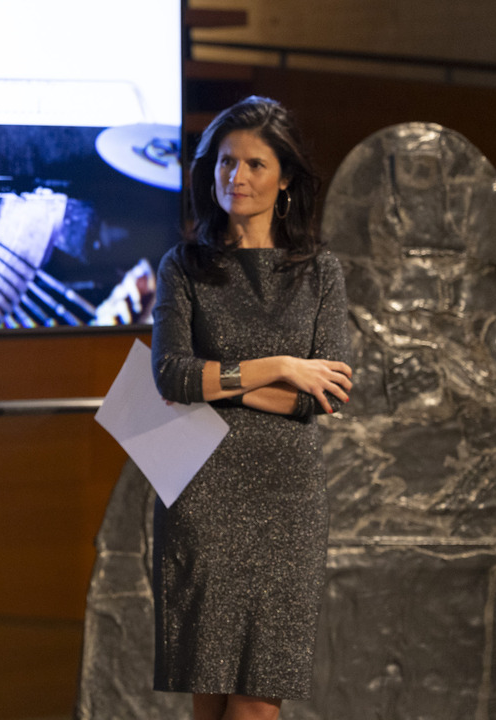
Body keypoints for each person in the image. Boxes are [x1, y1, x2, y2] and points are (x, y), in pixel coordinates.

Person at [149, 97, 353, 720]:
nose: (236, 177)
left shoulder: (320, 271)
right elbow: (171, 375)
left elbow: (330, 393)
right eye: (225, 163)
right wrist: (283, 368)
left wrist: (221, 380)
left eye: (255, 165)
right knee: (208, 701)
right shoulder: (184, 267)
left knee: (258, 705)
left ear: (285, 176)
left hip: (286, 501)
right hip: (202, 494)